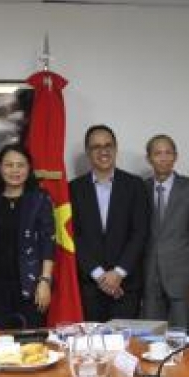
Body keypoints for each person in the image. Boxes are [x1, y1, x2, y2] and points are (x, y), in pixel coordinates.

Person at [69, 125, 150, 322]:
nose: (103, 151)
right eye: (96, 147)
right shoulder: (73, 189)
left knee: (124, 348)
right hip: (90, 285)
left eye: (108, 145)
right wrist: (99, 275)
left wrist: (118, 272)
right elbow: (73, 235)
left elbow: (140, 232)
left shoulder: (134, 185)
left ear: (115, 148)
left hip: (126, 285)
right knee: (93, 349)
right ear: (88, 152)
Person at [0, 144, 56, 329]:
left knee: (32, 347)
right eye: (9, 165)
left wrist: (45, 281)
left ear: (29, 168)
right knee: (0, 347)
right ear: (0, 168)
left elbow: (49, 241)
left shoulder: (40, 198)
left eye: (20, 165)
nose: (15, 170)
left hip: (32, 285)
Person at [142, 134, 189, 335]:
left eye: (168, 152)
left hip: (183, 281)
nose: (163, 158)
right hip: (150, 280)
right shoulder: (140, 188)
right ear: (148, 158)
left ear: (176, 156)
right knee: (151, 342)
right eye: (157, 153)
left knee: (183, 342)